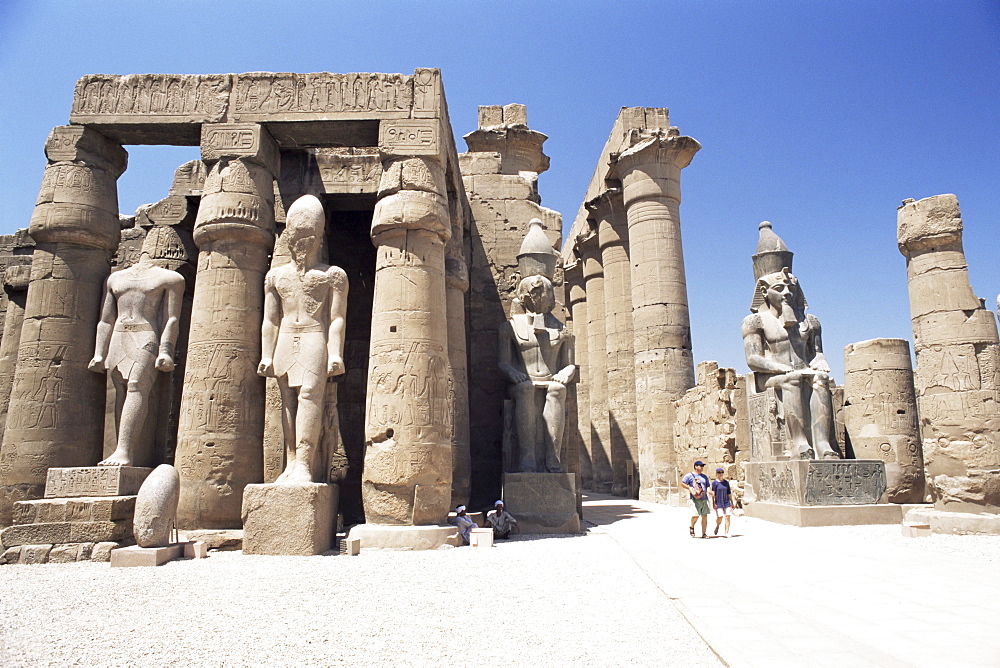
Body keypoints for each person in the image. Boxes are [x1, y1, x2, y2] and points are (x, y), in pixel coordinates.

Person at [258, 195, 348, 484]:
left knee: (309, 397)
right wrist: (266, 355)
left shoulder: (332, 275)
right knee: (287, 402)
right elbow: (270, 320)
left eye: (310, 235)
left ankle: (305, 464)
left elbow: (336, 319)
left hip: (313, 337)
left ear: (319, 237)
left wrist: (336, 354)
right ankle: (291, 461)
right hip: (286, 336)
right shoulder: (276, 276)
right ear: (289, 237)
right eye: (298, 235)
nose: (303, 242)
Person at [89, 227, 185, 467]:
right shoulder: (115, 278)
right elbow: (105, 319)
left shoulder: (170, 278)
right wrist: (99, 352)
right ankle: (120, 449)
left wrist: (166, 350)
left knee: (135, 386)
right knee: (120, 391)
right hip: (119, 335)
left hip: (145, 334)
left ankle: (125, 451)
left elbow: (171, 318)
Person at [742, 263, 839, 460]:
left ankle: (822, 444)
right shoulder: (755, 321)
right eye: (780, 289)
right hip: (769, 377)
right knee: (792, 380)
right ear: (764, 292)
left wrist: (819, 360)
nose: (787, 293)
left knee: (820, 380)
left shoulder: (810, 321)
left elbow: (817, 352)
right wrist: (782, 368)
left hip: (803, 370)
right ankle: (799, 443)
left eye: (791, 289)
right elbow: (753, 359)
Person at [680, 460, 712, 538]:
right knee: (695, 515)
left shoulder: (704, 476)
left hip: (704, 498)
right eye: (700, 466)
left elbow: (707, 485)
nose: (702, 468)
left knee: (704, 516)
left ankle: (704, 533)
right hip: (695, 499)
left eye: (702, 466)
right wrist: (689, 488)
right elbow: (682, 483)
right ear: (695, 466)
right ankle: (692, 526)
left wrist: (709, 490)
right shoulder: (689, 475)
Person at [711, 467, 734, 537]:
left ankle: (726, 532)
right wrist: (713, 503)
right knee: (720, 517)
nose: (720, 474)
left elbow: (729, 493)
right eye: (719, 472)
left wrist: (732, 502)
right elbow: (713, 493)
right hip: (719, 502)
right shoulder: (714, 483)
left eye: (722, 472)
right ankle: (717, 525)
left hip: (726, 501)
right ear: (716, 474)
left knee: (727, 516)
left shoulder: (726, 482)